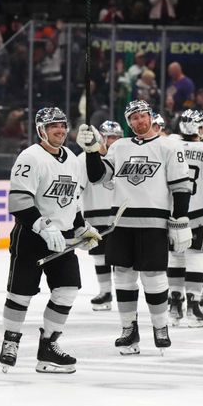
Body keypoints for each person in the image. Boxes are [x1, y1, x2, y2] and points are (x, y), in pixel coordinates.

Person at [80, 99, 191, 355]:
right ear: (128, 122)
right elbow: (98, 176)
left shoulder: (169, 147)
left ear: (151, 117)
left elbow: (181, 187)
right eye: (133, 118)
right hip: (121, 223)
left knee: (153, 277)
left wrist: (181, 219)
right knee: (124, 277)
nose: (139, 121)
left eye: (142, 116)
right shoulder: (119, 146)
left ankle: (160, 327)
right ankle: (128, 330)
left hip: (154, 223)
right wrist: (90, 150)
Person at [0, 107, 100, 374]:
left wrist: (81, 228)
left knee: (67, 290)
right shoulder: (30, 157)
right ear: (41, 130)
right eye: (53, 126)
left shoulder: (72, 159)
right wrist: (43, 226)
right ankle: (10, 341)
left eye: (63, 125)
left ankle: (48, 347)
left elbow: (73, 203)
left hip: (64, 240)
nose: (60, 130)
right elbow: (18, 201)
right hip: (31, 237)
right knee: (20, 294)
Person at [167, 110, 203, 328]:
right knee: (195, 257)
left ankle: (174, 305)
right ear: (198, 128)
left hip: (174, 213)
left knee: (175, 258)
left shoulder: (170, 147)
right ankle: (193, 306)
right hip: (200, 213)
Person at [78, 120, 123, 311]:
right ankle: (105, 292)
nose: (113, 141)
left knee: (122, 258)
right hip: (95, 215)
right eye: (109, 137)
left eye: (116, 137)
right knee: (99, 256)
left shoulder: (123, 156)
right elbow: (78, 189)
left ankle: (123, 293)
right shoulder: (83, 159)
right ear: (101, 138)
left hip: (119, 216)